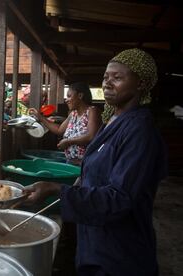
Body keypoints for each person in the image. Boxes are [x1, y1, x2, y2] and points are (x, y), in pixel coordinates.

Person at [25, 48, 167, 276]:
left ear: (141, 84)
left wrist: (57, 190)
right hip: (96, 241)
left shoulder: (140, 131)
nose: (108, 83)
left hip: (120, 253)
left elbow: (121, 198)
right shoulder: (114, 121)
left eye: (118, 78)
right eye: (106, 77)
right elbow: (97, 169)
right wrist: (78, 183)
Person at [29, 82, 101, 165]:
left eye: (69, 96)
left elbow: (91, 136)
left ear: (80, 96)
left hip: (86, 164)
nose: (66, 100)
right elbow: (59, 130)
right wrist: (40, 117)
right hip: (71, 162)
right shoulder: (73, 114)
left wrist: (68, 142)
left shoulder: (92, 111)